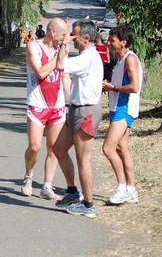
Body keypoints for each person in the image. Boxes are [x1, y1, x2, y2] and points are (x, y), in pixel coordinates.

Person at [53, 19, 104, 218]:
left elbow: (59, 65)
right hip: (76, 110)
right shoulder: (85, 55)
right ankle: (73, 191)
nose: (72, 39)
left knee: (83, 159)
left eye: (75, 36)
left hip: (86, 112)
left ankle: (88, 205)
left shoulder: (87, 58)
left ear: (86, 38)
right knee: (58, 149)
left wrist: (64, 43)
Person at [21, 18, 71, 200]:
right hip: (37, 104)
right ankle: (28, 176)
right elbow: (40, 72)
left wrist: (71, 99)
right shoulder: (33, 46)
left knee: (54, 148)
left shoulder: (62, 50)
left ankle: (47, 186)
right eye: (63, 35)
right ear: (53, 32)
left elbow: (65, 75)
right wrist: (59, 57)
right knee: (35, 147)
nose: (65, 39)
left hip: (57, 106)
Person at [102, 26, 143, 205]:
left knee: (108, 149)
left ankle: (122, 187)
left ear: (123, 42)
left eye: (112, 40)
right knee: (121, 149)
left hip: (124, 109)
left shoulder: (130, 59)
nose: (109, 43)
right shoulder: (120, 60)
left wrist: (115, 88)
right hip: (117, 107)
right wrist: (110, 85)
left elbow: (134, 87)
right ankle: (132, 190)